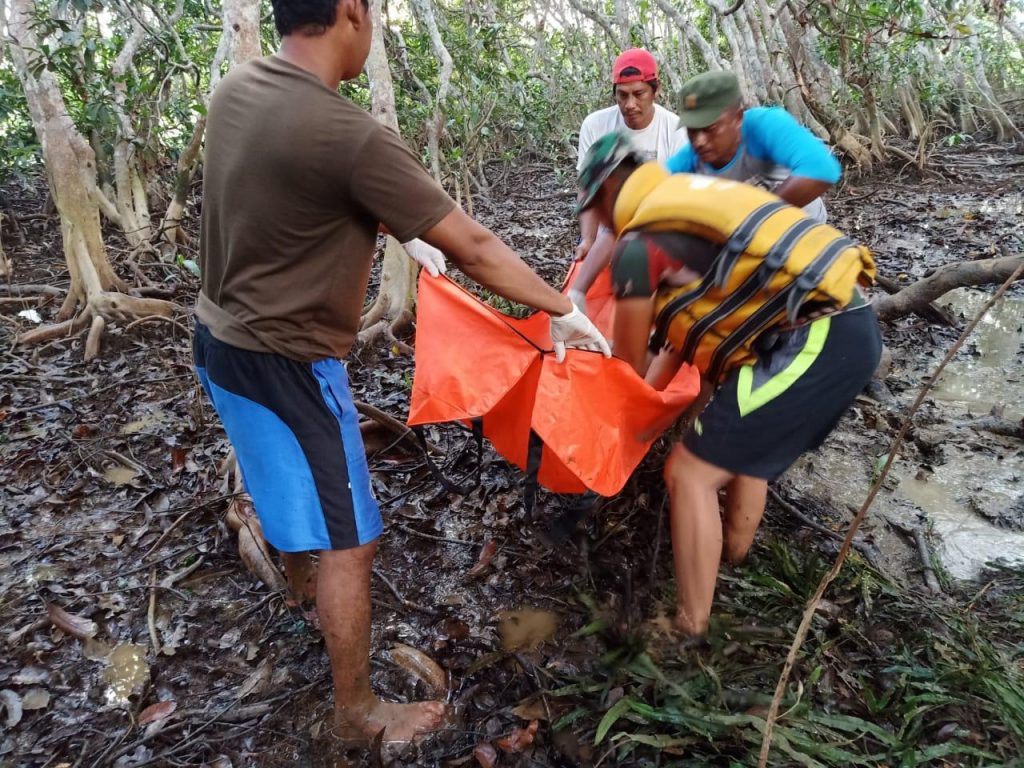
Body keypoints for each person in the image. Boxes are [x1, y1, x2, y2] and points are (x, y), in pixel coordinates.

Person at [193, 0, 609, 744]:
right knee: (352, 539)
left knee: (272, 468)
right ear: (351, 11)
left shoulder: (238, 88)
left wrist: (396, 228)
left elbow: (293, 192)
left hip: (217, 341)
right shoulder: (352, 134)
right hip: (289, 363)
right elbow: (476, 246)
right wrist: (559, 308)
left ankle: (296, 588)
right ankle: (357, 713)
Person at [576, 132, 881, 637]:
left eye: (594, 211)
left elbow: (627, 364)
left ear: (609, 192)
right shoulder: (690, 199)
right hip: (850, 326)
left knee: (689, 473)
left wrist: (605, 412)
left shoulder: (637, 246)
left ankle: (688, 627)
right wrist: (647, 421)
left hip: (813, 338)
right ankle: (735, 556)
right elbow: (676, 351)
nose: (599, 225)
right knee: (733, 440)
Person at [570, 48, 689, 312]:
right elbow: (588, 190)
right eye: (622, 95)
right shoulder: (595, 125)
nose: (630, 104)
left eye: (639, 94)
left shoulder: (675, 130)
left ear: (656, 91)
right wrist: (587, 239)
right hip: (609, 231)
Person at [666, 70, 840, 224]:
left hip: (805, 234)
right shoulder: (692, 156)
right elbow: (654, 184)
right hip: (750, 246)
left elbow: (821, 169)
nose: (699, 141)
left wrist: (754, 219)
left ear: (738, 118)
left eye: (710, 128)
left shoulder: (766, 125)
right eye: (692, 131)